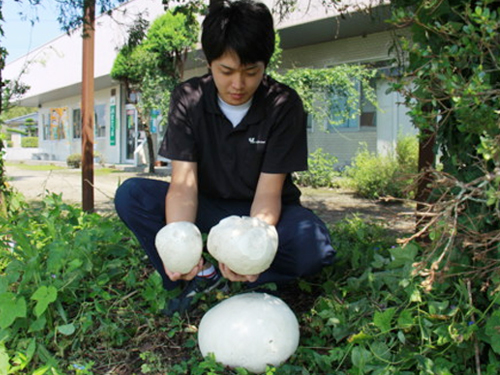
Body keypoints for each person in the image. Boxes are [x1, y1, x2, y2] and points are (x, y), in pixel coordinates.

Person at [115, 0, 335, 316]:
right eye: (226, 71)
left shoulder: (283, 104)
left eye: (251, 72)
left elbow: (268, 194)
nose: (238, 84)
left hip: (267, 210)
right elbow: (183, 186)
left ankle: (242, 276)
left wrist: (251, 250)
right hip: (208, 205)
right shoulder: (188, 98)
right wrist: (180, 245)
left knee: (313, 248)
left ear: (265, 64)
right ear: (209, 62)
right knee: (132, 196)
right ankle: (196, 274)